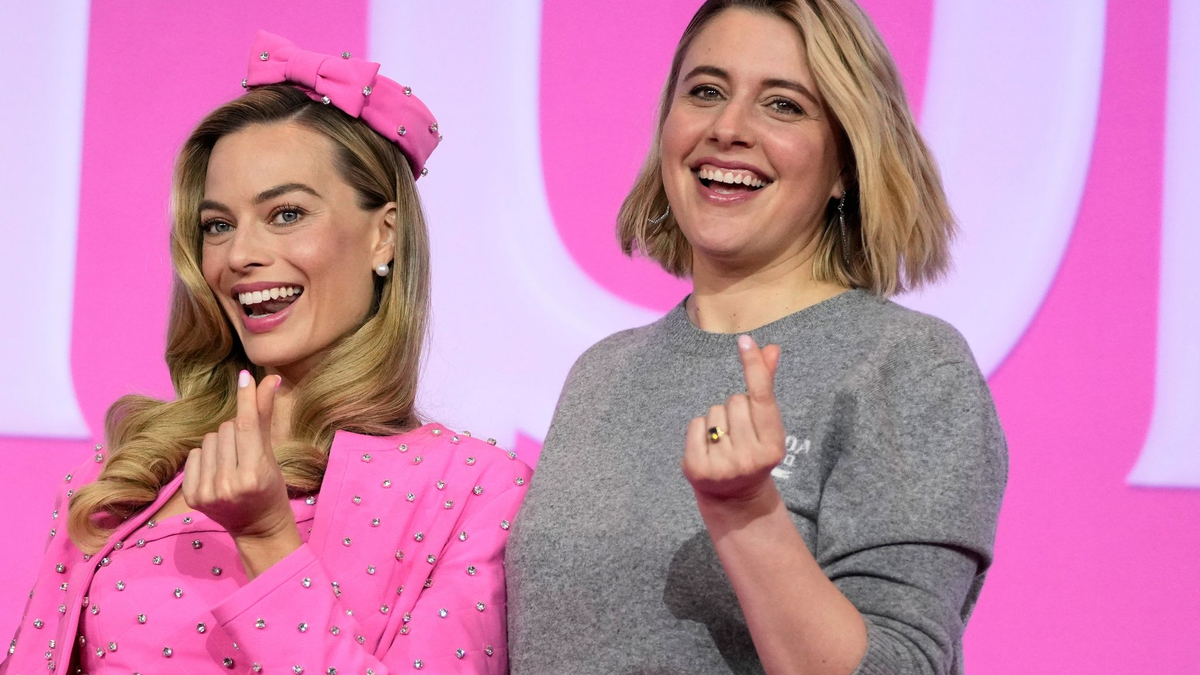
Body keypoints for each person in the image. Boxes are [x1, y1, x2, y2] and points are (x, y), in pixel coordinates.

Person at [2, 31, 530, 675]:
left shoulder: (474, 492)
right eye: (218, 225)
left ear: (383, 235)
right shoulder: (126, 469)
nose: (239, 255)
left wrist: (267, 539)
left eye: (285, 214)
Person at [506, 1, 1006, 674]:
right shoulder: (603, 372)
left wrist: (748, 512)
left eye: (784, 105)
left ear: (845, 166)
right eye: (706, 91)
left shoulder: (906, 366)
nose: (729, 128)